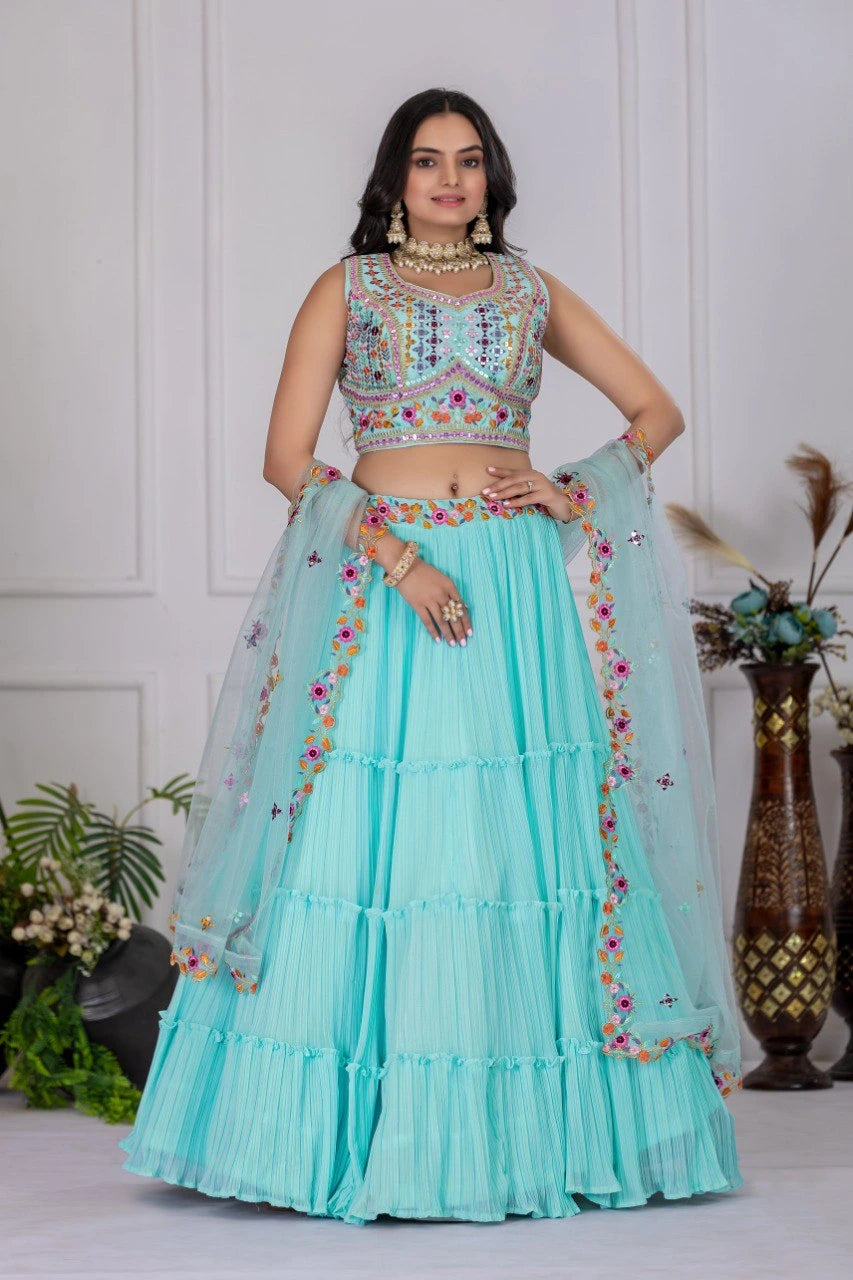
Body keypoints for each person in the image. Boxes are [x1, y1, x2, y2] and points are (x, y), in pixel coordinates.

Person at [119, 88, 744, 1224]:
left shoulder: (528, 288)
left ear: (490, 176)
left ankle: (536, 1132)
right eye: (425, 161)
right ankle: (351, 1131)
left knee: (526, 838)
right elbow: (287, 458)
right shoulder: (345, 287)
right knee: (371, 840)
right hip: (385, 580)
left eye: (466, 160)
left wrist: (571, 490)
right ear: (394, 179)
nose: (448, 179)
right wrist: (400, 561)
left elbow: (654, 409)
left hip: (511, 588)